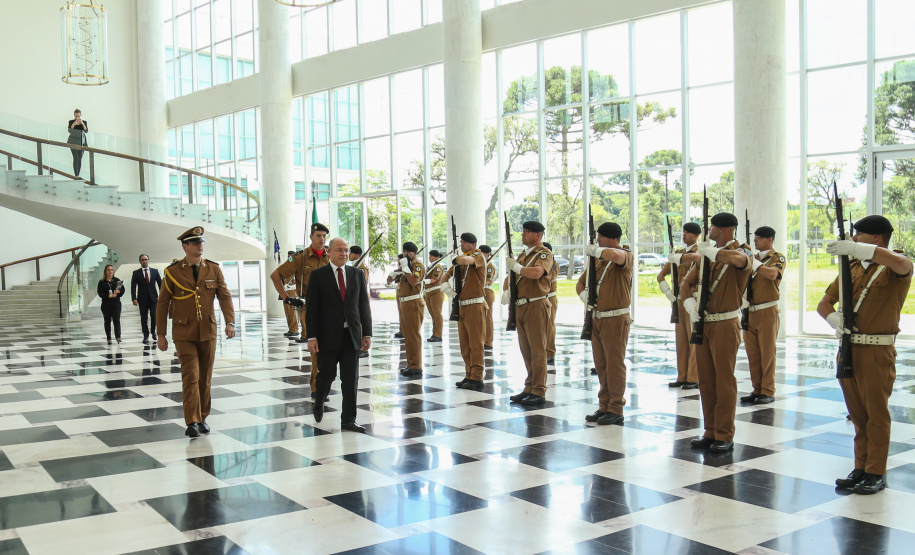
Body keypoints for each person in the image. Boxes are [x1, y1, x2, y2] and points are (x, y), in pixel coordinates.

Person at [817, 215, 912, 495]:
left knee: (876, 414)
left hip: (876, 351)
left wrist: (858, 250)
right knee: (858, 415)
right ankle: (861, 467)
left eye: (859, 235)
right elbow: (824, 303)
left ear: (877, 239)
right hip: (848, 348)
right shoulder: (853, 268)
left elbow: (902, 264)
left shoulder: (895, 265)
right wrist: (835, 321)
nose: (854, 239)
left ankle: (876, 472)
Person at [679, 213, 752, 453]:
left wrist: (712, 253)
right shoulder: (705, 257)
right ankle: (710, 431)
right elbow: (685, 284)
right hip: (703, 322)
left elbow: (740, 261)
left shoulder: (743, 252)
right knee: (706, 381)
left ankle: (724, 434)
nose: (708, 229)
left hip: (725, 324)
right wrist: (690, 306)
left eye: (711, 226)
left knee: (724, 381)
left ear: (722, 229)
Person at [156, 227, 236, 438]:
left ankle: (202, 417)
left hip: (207, 330)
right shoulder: (173, 272)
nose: (200, 245)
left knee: (204, 377)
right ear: (185, 246)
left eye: (201, 242)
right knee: (191, 375)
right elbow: (163, 303)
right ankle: (192, 421)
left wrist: (230, 322)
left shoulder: (213, 269)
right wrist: (161, 334)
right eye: (194, 242)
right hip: (184, 332)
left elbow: (224, 297)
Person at [307, 238, 373, 433]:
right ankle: (319, 401)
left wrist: (367, 333)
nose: (344, 254)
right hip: (327, 337)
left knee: (350, 380)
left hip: (351, 336)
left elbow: (363, 306)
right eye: (339, 250)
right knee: (326, 375)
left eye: (346, 250)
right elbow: (311, 309)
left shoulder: (357, 274)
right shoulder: (318, 275)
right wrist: (312, 337)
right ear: (329, 252)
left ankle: (348, 420)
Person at [575, 222, 633, 424]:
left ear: (612, 239)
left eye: (601, 236)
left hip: (616, 318)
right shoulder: (598, 261)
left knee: (614, 364)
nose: (597, 239)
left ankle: (616, 408)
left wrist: (597, 251)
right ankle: (604, 405)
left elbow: (616, 256)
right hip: (597, 317)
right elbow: (580, 283)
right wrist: (587, 300)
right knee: (601, 365)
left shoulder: (625, 255)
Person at [270, 223, 331, 396]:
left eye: (324, 236)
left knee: (331, 349)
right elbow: (276, 275)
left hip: (332, 308)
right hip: (310, 307)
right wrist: (287, 298)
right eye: (318, 235)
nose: (322, 239)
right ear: (311, 237)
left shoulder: (331, 255)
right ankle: (317, 388)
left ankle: (325, 383)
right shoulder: (300, 257)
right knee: (317, 348)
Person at [503, 221, 554, 407]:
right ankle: (529, 387)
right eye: (523, 231)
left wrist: (517, 267)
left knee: (538, 350)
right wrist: (507, 288)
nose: (523, 234)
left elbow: (536, 273)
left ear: (538, 235)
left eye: (526, 232)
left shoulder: (543, 254)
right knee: (526, 350)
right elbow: (514, 276)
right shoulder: (524, 255)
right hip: (522, 306)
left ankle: (539, 390)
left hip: (536, 305)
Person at [740, 226, 785, 405]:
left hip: (767, 311)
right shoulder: (753, 258)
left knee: (767, 353)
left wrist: (753, 262)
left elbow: (772, 274)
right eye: (755, 237)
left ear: (770, 239)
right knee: (753, 353)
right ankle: (757, 388)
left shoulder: (776, 258)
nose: (755, 240)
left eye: (759, 238)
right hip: (749, 311)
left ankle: (768, 390)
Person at [441, 233, 488, 391]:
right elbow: (444, 276)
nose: (462, 244)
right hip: (462, 306)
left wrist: (456, 258)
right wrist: (446, 287)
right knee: (465, 344)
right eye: (461, 242)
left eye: (465, 242)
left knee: (476, 344)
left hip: (475, 305)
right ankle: (468, 374)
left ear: (473, 244)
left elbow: (464, 260)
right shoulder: (461, 261)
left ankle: (477, 377)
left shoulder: (478, 256)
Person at [658, 222, 701, 389]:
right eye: (683, 232)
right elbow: (661, 275)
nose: (684, 235)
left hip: (693, 301)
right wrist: (668, 293)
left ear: (696, 236)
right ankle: (682, 376)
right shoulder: (678, 254)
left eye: (688, 232)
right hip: (679, 302)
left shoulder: (700, 254)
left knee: (693, 340)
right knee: (681, 341)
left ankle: (693, 377)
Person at [391, 243, 426, 376]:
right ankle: (411, 364)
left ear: (414, 253)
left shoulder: (417, 266)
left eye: (408, 252)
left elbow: (413, 282)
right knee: (408, 336)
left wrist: (405, 268)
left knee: (413, 335)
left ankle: (416, 366)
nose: (405, 253)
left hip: (413, 302)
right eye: (404, 251)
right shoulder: (405, 266)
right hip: (405, 303)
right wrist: (395, 271)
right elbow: (391, 279)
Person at [131, 254, 162, 343]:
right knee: (144, 318)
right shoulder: (136, 273)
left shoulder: (154, 271)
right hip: (142, 298)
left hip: (153, 298)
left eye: (146, 259)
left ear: (148, 260)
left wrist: (161, 295)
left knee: (154, 316)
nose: (144, 261)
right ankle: (146, 335)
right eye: (142, 260)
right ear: (140, 261)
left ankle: (153, 331)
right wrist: (134, 298)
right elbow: (133, 286)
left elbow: (160, 284)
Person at [348, 246, 371, 358]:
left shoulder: (361, 267)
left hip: (359, 297)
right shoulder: (354, 266)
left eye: (350, 253)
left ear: (356, 254)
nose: (348, 255)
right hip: (353, 297)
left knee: (360, 323)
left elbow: (361, 283)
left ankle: (363, 348)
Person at [97, 265, 125, 345]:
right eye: (108, 270)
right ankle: (109, 338)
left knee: (116, 320)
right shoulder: (102, 282)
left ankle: (118, 336)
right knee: (107, 321)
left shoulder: (117, 280)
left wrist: (119, 292)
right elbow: (100, 293)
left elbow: (122, 290)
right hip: (106, 304)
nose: (110, 272)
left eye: (112, 270)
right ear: (105, 271)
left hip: (116, 303)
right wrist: (108, 295)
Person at [542, 241, 559, 365]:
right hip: (539, 298)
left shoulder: (553, 264)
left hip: (549, 298)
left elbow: (550, 279)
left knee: (549, 326)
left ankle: (550, 353)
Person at [423, 250, 446, 342]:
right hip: (428, 292)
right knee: (433, 314)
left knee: (437, 314)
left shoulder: (438, 267)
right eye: (430, 256)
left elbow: (434, 279)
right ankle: (434, 333)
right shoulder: (431, 266)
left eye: (432, 256)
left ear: (437, 257)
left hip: (436, 291)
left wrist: (422, 282)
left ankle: (438, 335)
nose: (430, 257)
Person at [480, 245, 497, 351]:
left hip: (486, 291)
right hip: (479, 291)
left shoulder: (489, 266)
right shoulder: (483, 264)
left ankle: (488, 342)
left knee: (487, 318)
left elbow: (486, 280)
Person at [280, 251, 299, 338]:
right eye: (288, 256)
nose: (289, 258)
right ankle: (291, 329)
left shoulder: (296, 266)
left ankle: (295, 329)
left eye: (291, 256)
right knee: (287, 311)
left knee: (292, 311)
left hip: (292, 290)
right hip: (285, 290)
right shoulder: (287, 267)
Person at [67, 109, 88, 177]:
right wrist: (74, 123)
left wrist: (82, 123)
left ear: (80, 115)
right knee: (75, 158)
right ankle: (76, 175)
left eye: (78, 116)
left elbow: (86, 130)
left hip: (81, 142)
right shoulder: (71, 122)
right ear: (74, 115)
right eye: (76, 116)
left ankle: (78, 174)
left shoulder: (84, 122)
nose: (77, 118)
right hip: (73, 142)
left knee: (80, 158)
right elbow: (69, 130)